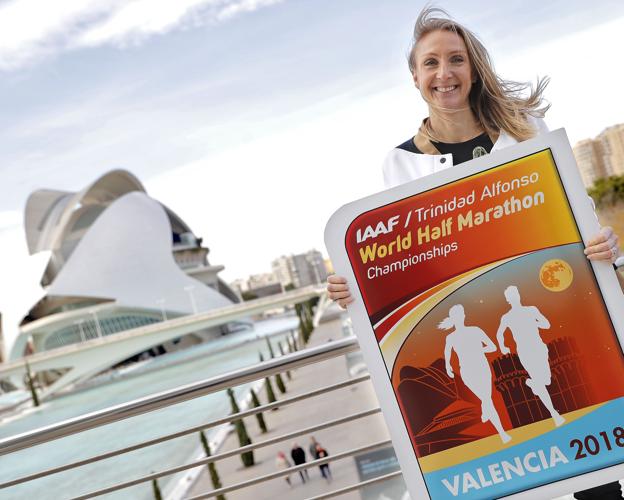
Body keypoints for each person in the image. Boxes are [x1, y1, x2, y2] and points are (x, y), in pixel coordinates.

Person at [326, 7, 622, 499]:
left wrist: (605, 244)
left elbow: (579, 216)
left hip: (567, 310)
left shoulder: (525, 128)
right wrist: (351, 286)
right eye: (431, 63)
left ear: (473, 67)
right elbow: (398, 264)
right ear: (415, 76)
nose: (445, 74)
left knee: (599, 474)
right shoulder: (399, 164)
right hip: (485, 341)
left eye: (456, 59)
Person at [497, 285, 565, 427]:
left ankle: (532, 383)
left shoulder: (531, 310)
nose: (514, 298)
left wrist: (534, 322)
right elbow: (499, 333)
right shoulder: (507, 317)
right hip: (525, 350)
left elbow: (546, 324)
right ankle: (554, 414)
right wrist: (503, 346)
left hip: (539, 347)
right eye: (511, 296)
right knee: (541, 382)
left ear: (519, 296)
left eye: (515, 294)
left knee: (546, 381)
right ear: (508, 300)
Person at [441, 304, 511, 443]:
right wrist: (448, 366)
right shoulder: (451, 337)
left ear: (464, 316)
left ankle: (500, 431)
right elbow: (447, 354)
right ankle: (502, 433)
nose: (460, 318)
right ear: (453, 319)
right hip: (467, 370)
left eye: (461, 315)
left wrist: (479, 351)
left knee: (487, 399)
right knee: (487, 399)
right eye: (457, 316)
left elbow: (492, 347)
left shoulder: (475, 330)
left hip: (482, 367)